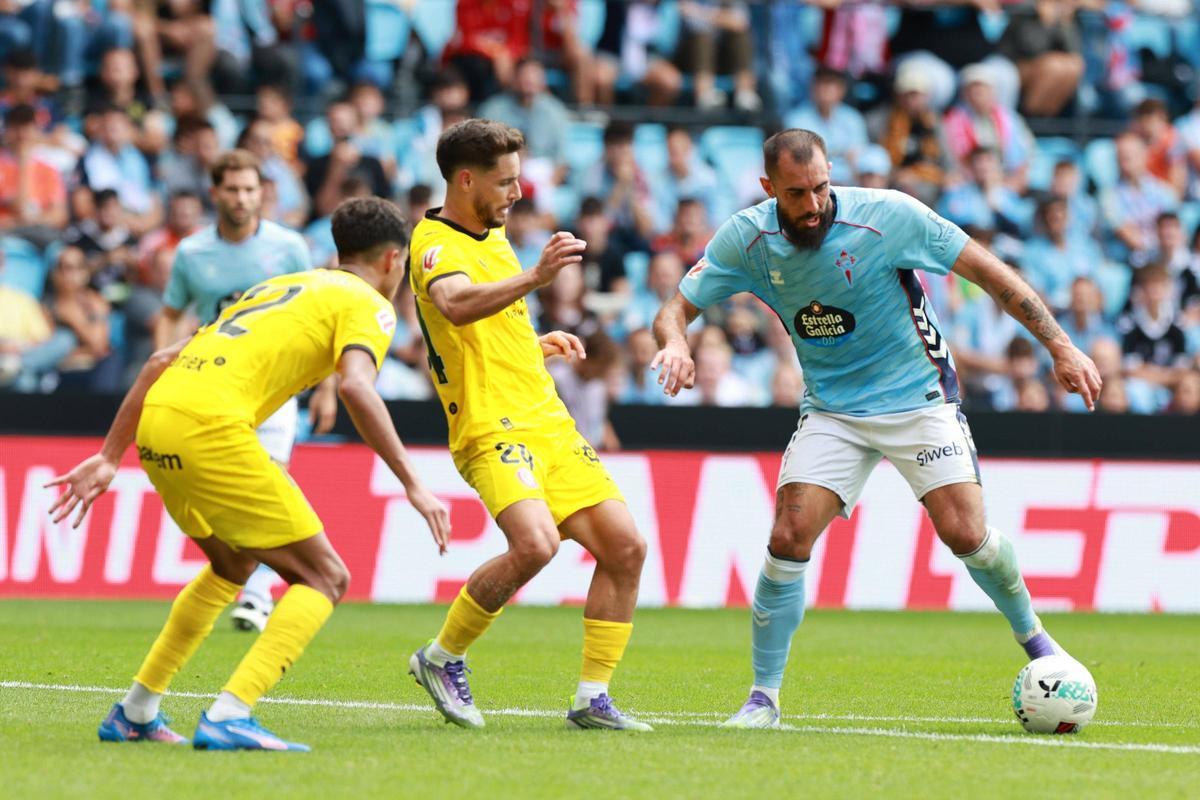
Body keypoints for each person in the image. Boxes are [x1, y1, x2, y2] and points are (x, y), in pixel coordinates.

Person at [651, 129, 1102, 728]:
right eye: (795, 194)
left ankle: (1039, 642)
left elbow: (990, 272)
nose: (812, 205)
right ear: (767, 189)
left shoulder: (888, 216)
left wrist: (1061, 346)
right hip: (834, 409)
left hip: (917, 395)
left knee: (965, 533)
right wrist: (677, 343)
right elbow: (674, 308)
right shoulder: (746, 238)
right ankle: (763, 698)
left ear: (831, 172)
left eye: (819, 187)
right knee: (788, 534)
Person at [46, 196, 450, 751]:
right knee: (325, 577)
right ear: (392, 260)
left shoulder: (280, 286)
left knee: (232, 563)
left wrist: (111, 456)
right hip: (211, 427)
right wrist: (413, 481)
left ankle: (136, 711)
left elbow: (161, 359)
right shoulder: (370, 304)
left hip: (159, 422)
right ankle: (230, 714)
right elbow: (357, 386)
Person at [406, 118, 651, 731]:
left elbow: (489, 327)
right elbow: (457, 306)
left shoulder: (493, 232)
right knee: (536, 544)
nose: (517, 192)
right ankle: (442, 657)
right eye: (506, 181)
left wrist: (535, 343)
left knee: (625, 548)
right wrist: (539, 277)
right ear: (466, 180)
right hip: (492, 427)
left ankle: (591, 698)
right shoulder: (433, 243)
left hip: (548, 421)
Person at [155, 149, 338, 633]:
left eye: (250, 189)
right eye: (232, 189)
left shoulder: (289, 248)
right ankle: (241, 577)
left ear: (263, 194)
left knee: (270, 477)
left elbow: (321, 316)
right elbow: (172, 312)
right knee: (223, 496)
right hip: (209, 387)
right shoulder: (192, 253)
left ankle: (256, 595)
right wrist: (162, 365)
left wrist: (327, 387)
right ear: (214, 193)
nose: (241, 198)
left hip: (275, 389)